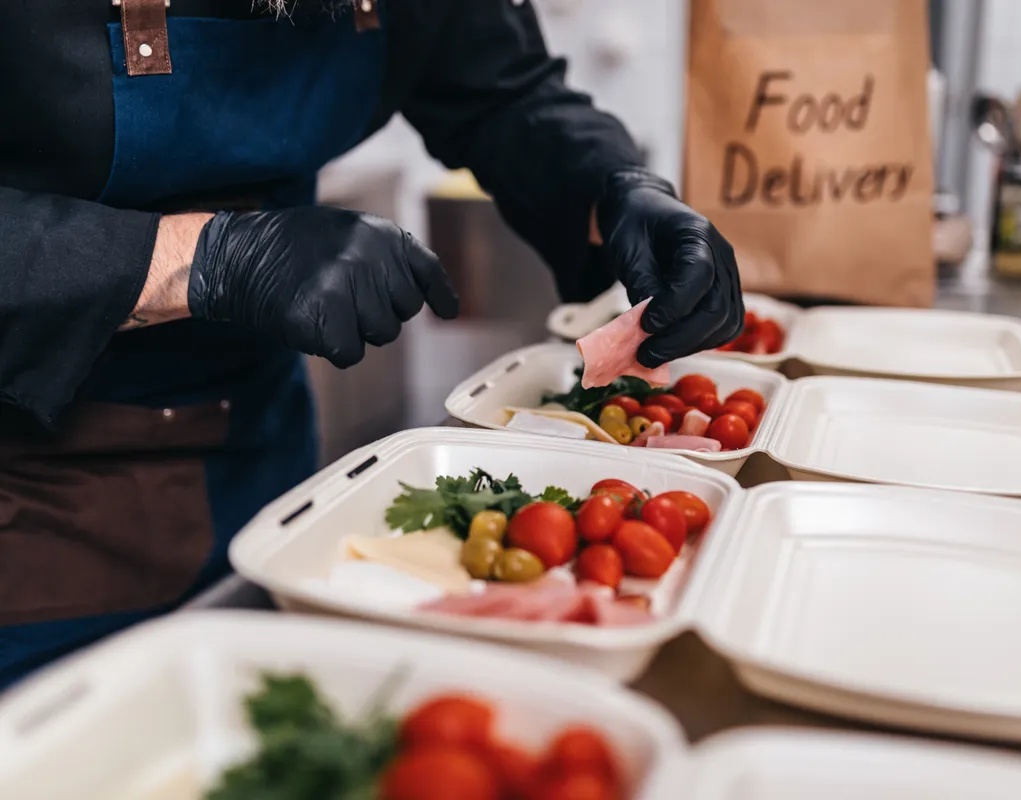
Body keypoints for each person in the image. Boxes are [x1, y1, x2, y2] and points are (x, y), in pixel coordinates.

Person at [0, 0, 743, 688]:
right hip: (33, 504)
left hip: (263, 453)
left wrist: (610, 187)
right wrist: (205, 257)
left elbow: (504, 92)